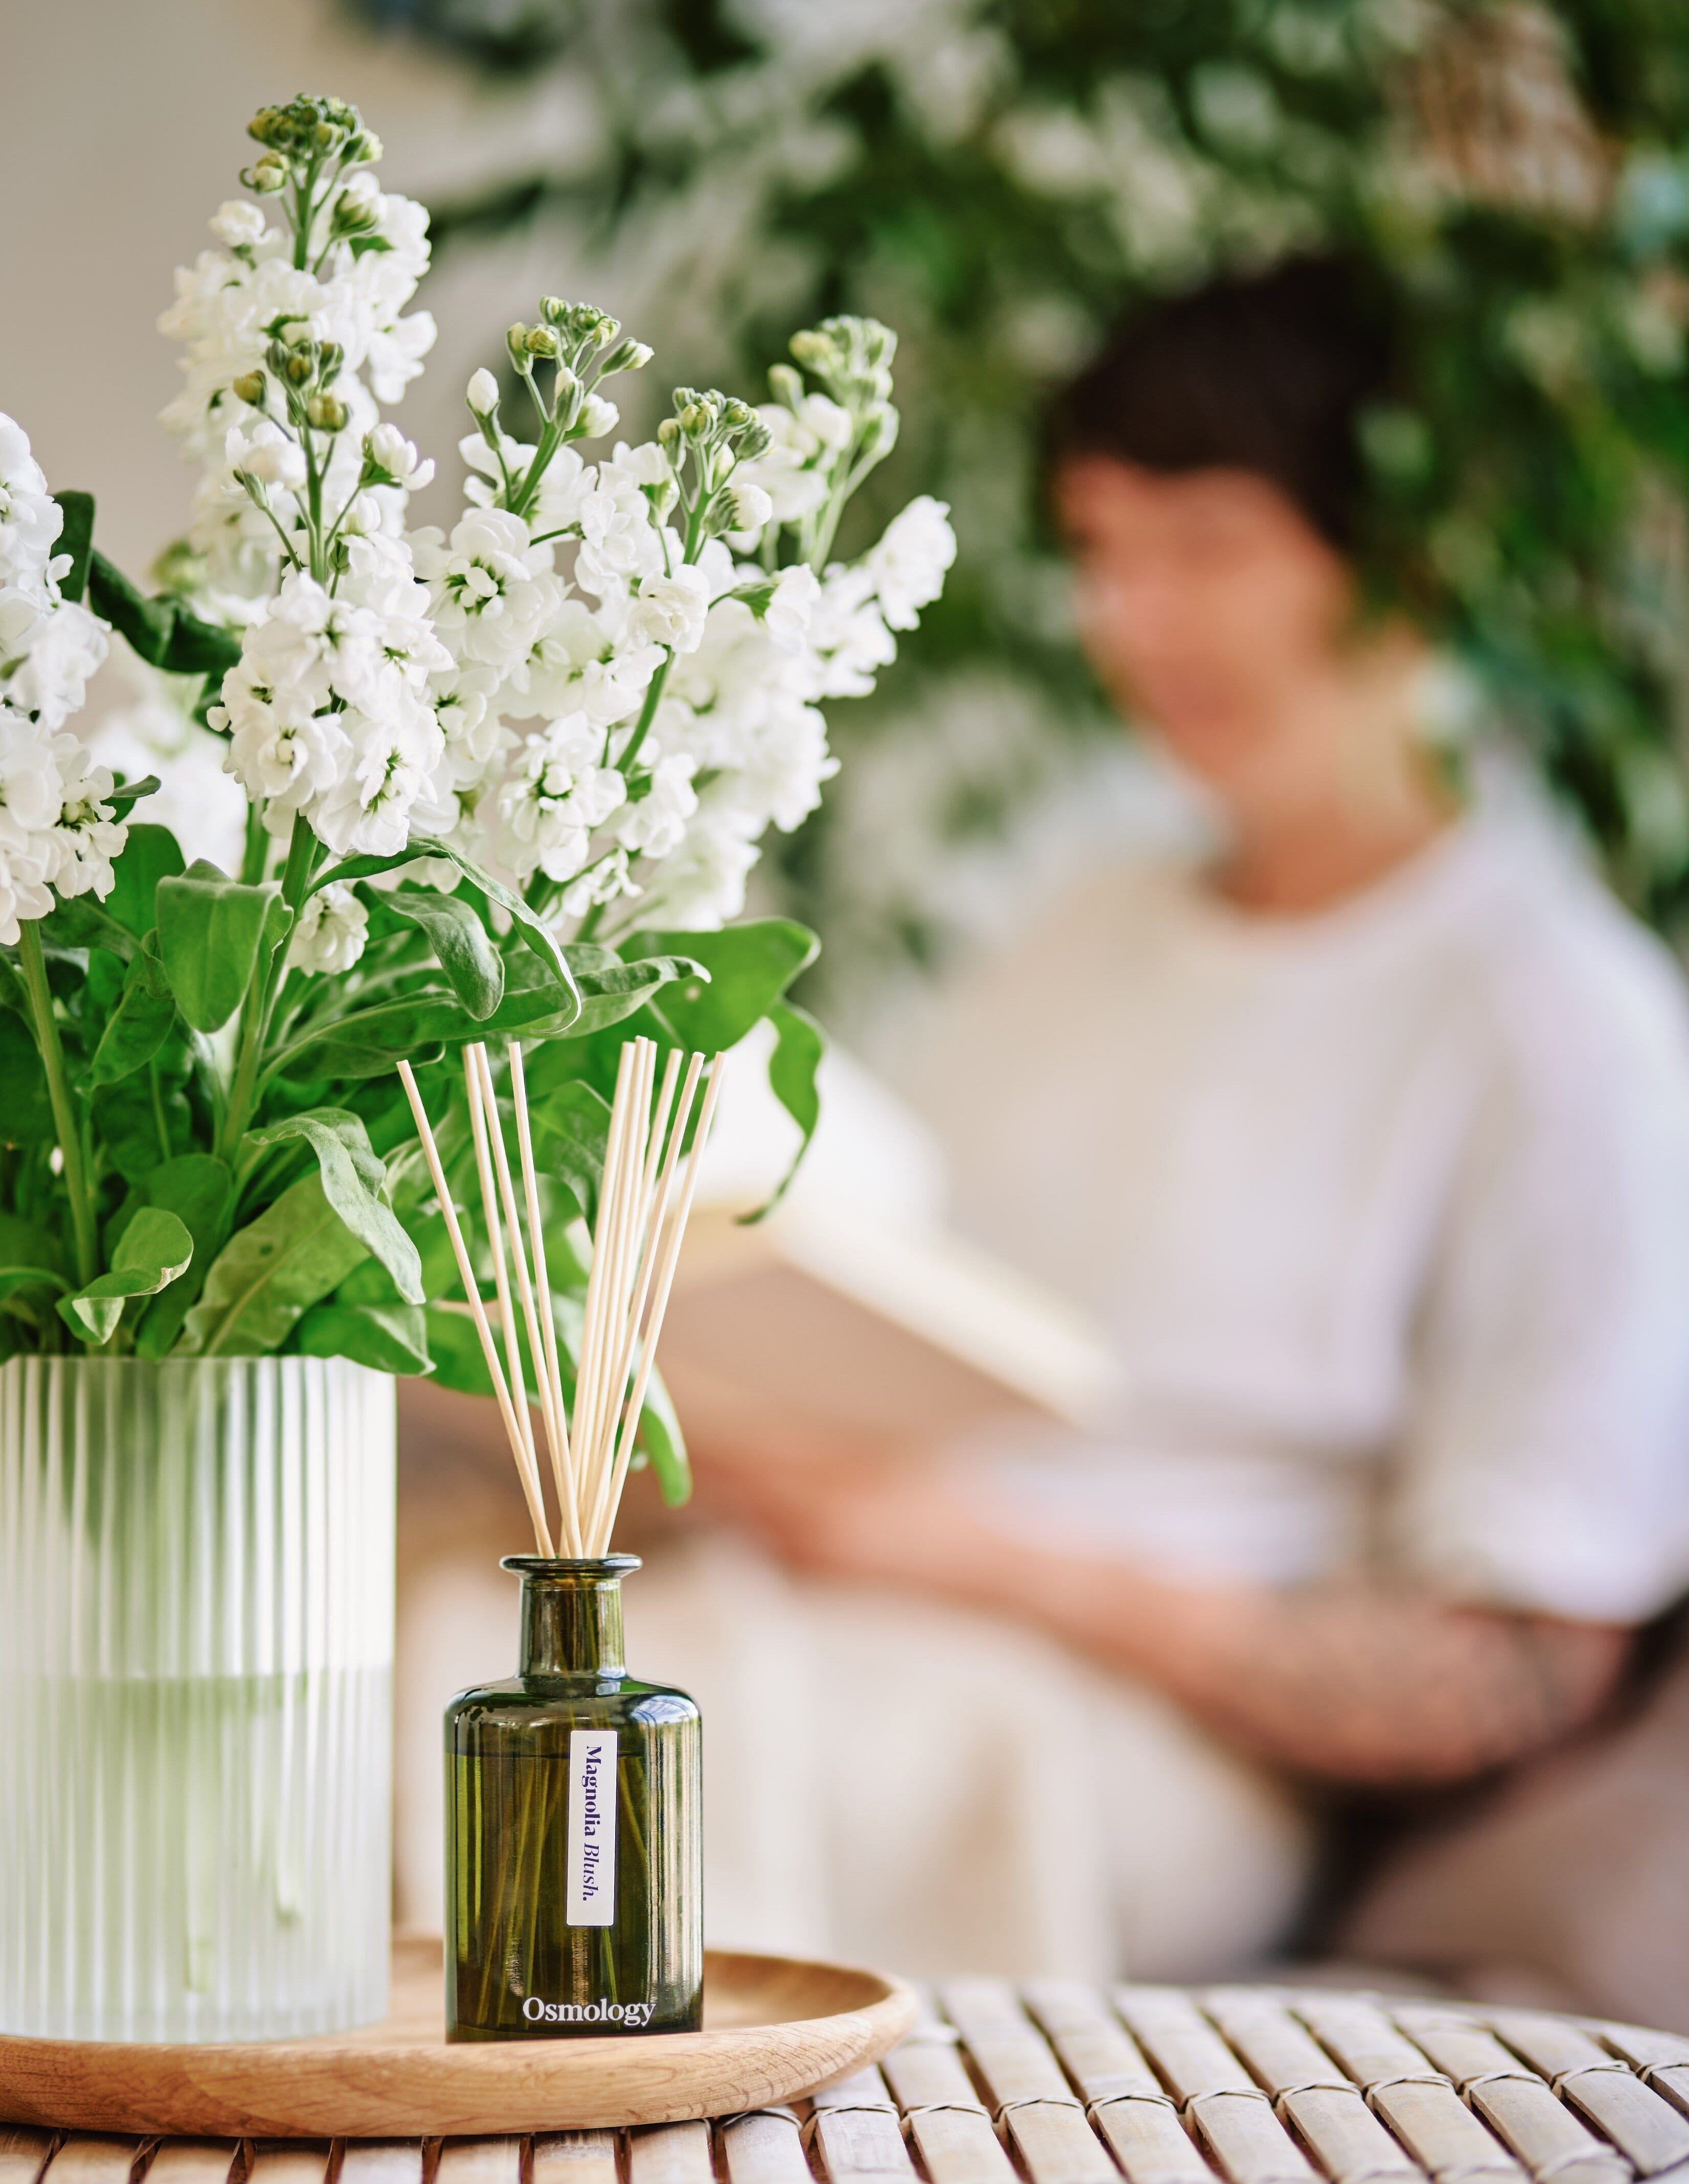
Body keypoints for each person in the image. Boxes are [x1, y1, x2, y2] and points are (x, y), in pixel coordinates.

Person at [398, 257, 1689, 1986]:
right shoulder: (1085, 927)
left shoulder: (1561, 1030)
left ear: (1411, 554)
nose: (1132, 625)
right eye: (1099, 552)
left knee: (597, 1789)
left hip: (1120, 1726)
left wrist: (968, 1552)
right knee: (346, 1656)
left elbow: (1516, 1673)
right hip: (828, 1590)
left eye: (1209, 545)